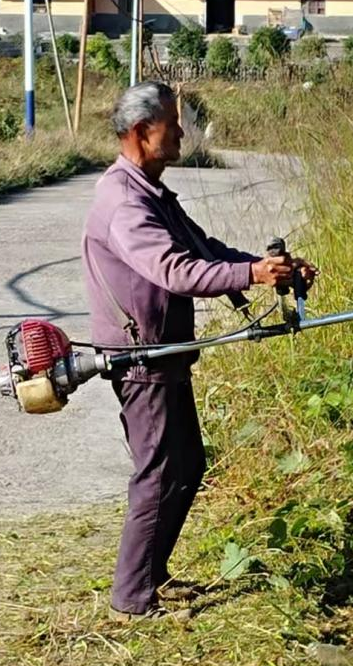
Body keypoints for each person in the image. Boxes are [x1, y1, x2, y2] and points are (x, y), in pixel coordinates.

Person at [82, 81, 316, 621]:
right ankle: (131, 598)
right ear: (144, 132)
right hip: (141, 357)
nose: (182, 131)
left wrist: (265, 269)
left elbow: (204, 251)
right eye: (173, 122)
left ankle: (151, 575)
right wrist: (250, 273)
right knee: (159, 470)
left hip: (166, 351)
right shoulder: (123, 200)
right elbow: (173, 270)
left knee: (187, 464)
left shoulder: (151, 192)